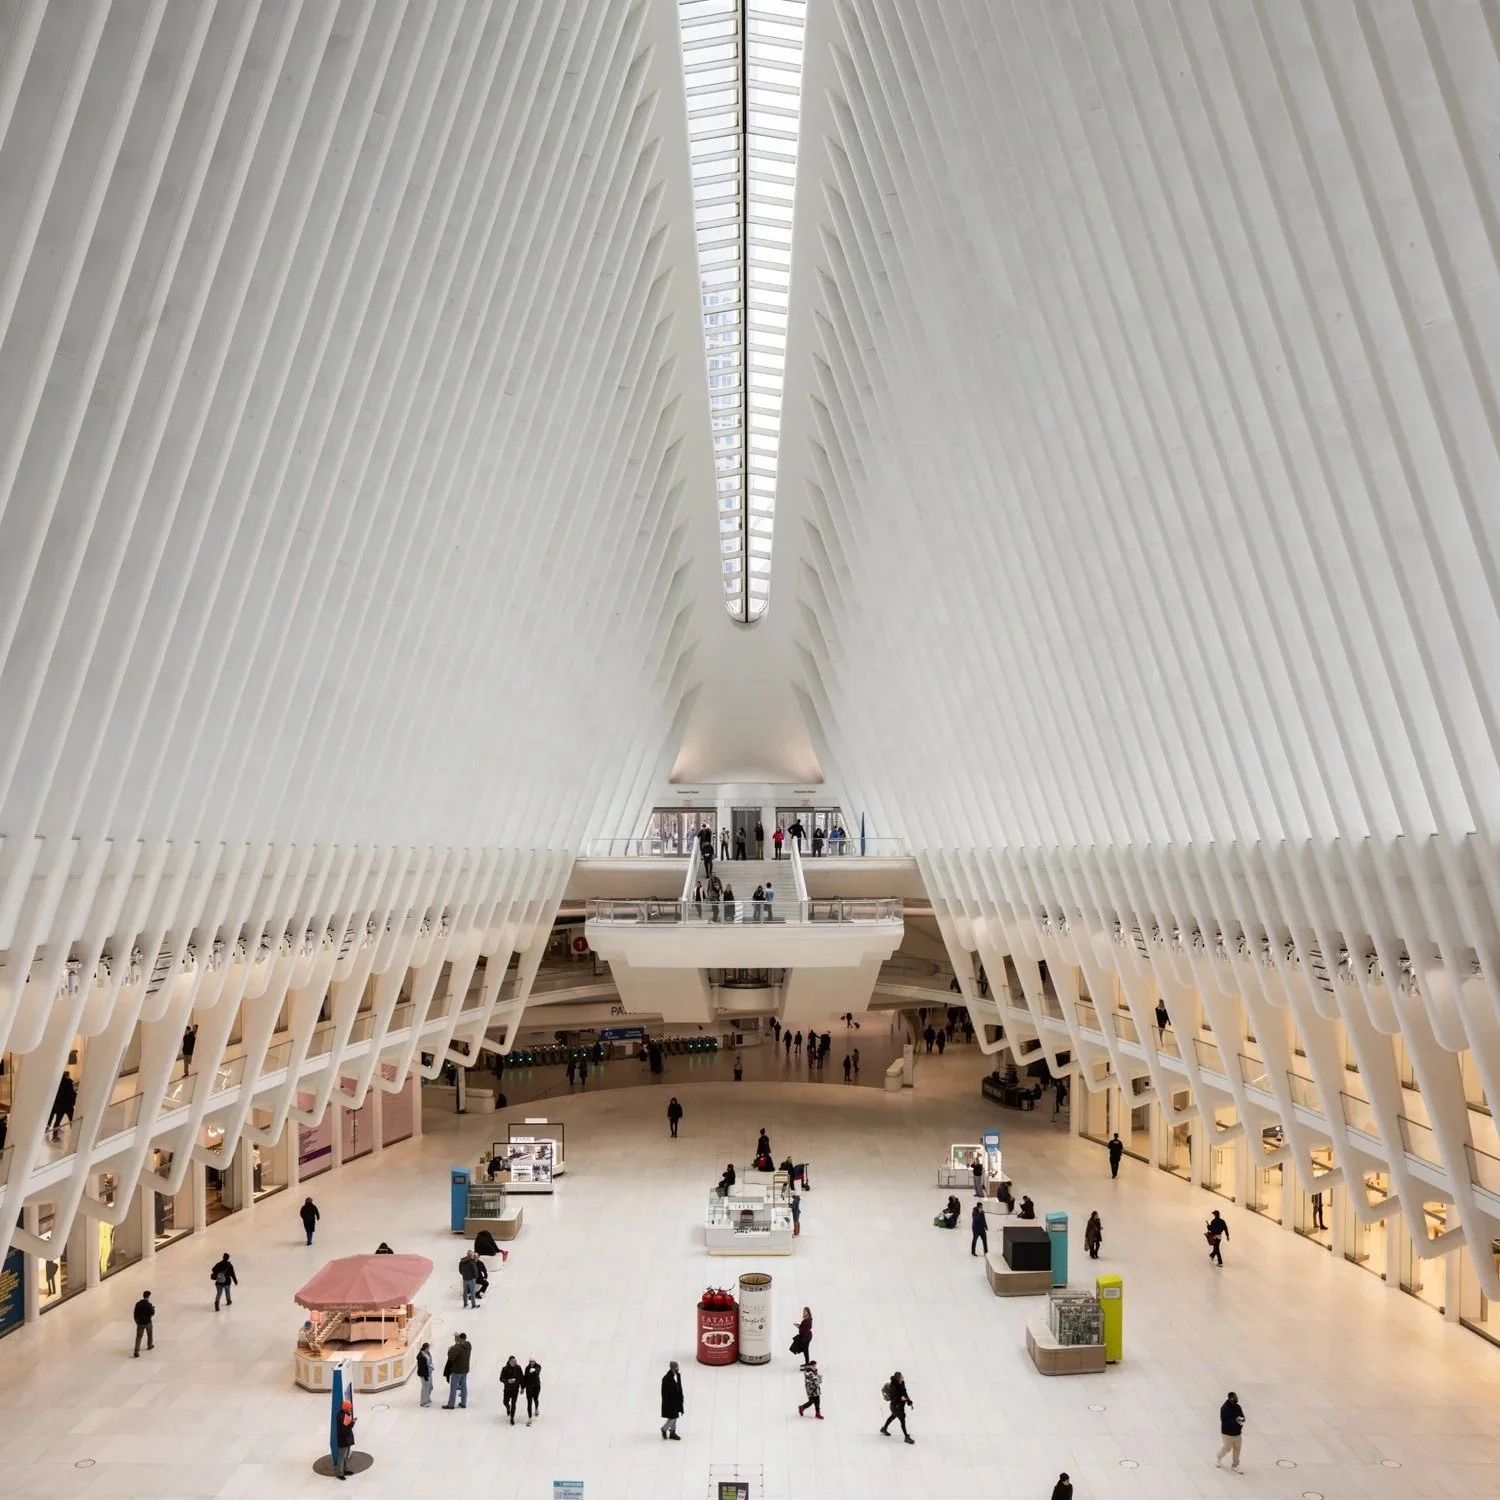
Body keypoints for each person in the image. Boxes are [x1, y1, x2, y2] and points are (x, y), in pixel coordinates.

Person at [879, 1371, 914, 1443]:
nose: (903, 1378)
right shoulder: (893, 1386)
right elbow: (892, 1398)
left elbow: (904, 1392)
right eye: (901, 1377)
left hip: (899, 1406)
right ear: (898, 1379)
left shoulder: (902, 1383)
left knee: (892, 1416)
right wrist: (900, 1398)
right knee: (902, 1420)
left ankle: (884, 1429)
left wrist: (909, 1401)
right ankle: (906, 1437)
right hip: (895, 1406)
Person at [1217, 1390, 1246, 1471]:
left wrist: (1242, 1419)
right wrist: (1236, 1420)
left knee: (1237, 1449)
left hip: (1237, 1433)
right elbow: (1224, 1420)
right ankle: (1218, 1457)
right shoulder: (1224, 1408)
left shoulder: (1238, 1407)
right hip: (1227, 1434)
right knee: (1227, 1448)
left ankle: (1235, 1465)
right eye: (1235, 1397)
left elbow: (1242, 1416)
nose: (1236, 1398)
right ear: (1230, 1398)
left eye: (1236, 1396)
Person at [442, 1332, 472, 1408]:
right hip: (465, 1369)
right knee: (464, 1386)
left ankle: (451, 1404)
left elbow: (451, 1358)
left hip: (457, 1371)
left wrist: (449, 1351)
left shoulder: (457, 1348)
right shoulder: (468, 1345)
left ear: (460, 1338)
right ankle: (463, 1403)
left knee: (453, 1388)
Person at [47, 1071, 77, 1140]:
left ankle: (54, 1136)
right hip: (68, 1105)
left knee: (57, 1120)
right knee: (72, 1119)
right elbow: (71, 1094)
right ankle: (75, 1134)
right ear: (67, 1076)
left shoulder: (59, 1084)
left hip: (59, 1105)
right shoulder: (68, 1083)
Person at [660, 1360, 684, 1440]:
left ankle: (672, 1432)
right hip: (670, 1402)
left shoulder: (676, 1376)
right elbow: (666, 1393)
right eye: (677, 1367)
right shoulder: (666, 1379)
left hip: (676, 1401)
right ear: (673, 1368)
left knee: (675, 1417)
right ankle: (664, 1429)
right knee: (672, 1417)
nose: (678, 1368)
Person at [499, 1355, 524, 1424]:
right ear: (509, 1362)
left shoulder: (518, 1368)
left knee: (514, 1403)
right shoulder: (505, 1369)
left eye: (515, 1361)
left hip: (515, 1389)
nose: (514, 1363)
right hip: (507, 1389)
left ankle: (512, 1418)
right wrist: (508, 1381)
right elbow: (501, 1378)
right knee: (505, 1402)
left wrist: (522, 1388)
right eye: (513, 1361)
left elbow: (521, 1378)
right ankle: (508, 1407)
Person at [335, 1399, 356, 1479]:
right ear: (346, 1408)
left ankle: (345, 1469)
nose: (350, 1409)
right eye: (349, 1407)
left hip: (347, 1438)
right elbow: (344, 1429)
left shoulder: (345, 1414)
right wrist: (352, 1423)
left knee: (346, 1455)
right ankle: (340, 1473)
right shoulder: (341, 1417)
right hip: (344, 1439)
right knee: (342, 1456)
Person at [132, 1290, 155, 1356]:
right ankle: (149, 1345)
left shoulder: (138, 1304)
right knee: (150, 1334)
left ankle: (136, 1350)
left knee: (138, 1337)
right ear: (148, 1296)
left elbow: (135, 1314)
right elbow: (152, 1313)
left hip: (140, 1323)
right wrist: (153, 1309)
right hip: (148, 1323)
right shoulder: (149, 1304)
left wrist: (136, 1321)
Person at [522, 1358, 541, 1424]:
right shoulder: (527, 1368)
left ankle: (536, 1408)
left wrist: (534, 1370)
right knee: (529, 1402)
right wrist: (522, 1388)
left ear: (535, 1361)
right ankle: (530, 1417)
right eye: (530, 1361)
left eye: (532, 1361)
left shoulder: (538, 1366)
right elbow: (525, 1378)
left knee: (535, 1399)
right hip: (529, 1387)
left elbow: (538, 1371)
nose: (531, 1362)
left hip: (536, 1387)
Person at [416, 1341, 434, 1407]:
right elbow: (423, 1368)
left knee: (430, 1386)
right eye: (428, 1348)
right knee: (425, 1387)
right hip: (424, 1374)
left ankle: (427, 1398)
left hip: (429, 1372)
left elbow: (430, 1361)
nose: (429, 1349)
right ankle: (423, 1402)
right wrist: (426, 1376)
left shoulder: (427, 1353)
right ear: (426, 1348)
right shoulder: (421, 1357)